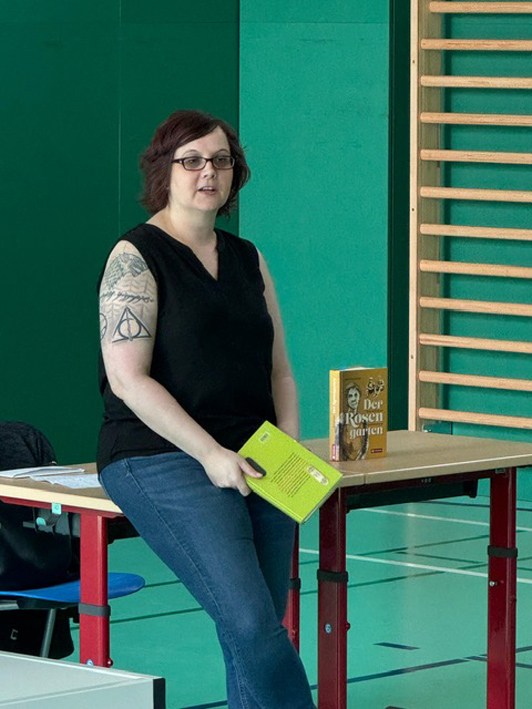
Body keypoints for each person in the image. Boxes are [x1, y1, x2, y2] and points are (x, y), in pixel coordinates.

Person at [97, 109, 315, 708]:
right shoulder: (135, 256)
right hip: (159, 454)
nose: (207, 172)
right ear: (164, 171)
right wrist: (210, 453)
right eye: (191, 160)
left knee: (254, 629)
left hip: (255, 453)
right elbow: (128, 380)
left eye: (220, 160)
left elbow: (280, 371)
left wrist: (288, 446)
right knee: (250, 622)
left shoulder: (249, 258)